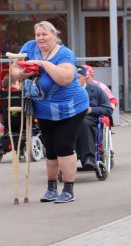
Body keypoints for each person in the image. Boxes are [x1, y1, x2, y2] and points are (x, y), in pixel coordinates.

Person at [10, 21, 89, 203]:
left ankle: (68, 190)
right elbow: (15, 68)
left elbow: (66, 79)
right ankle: (51, 188)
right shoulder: (29, 47)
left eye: (44, 34)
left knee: (63, 145)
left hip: (70, 107)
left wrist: (43, 64)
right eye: (38, 34)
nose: (40, 38)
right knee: (50, 148)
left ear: (54, 35)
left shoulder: (64, 53)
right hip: (44, 109)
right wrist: (21, 74)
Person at [75, 67, 113, 170]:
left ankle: (88, 157)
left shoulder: (96, 89)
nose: (75, 80)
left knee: (83, 123)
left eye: (78, 78)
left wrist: (91, 110)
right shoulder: (67, 90)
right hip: (71, 117)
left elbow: (108, 109)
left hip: (90, 118)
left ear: (84, 78)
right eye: (74, 78)